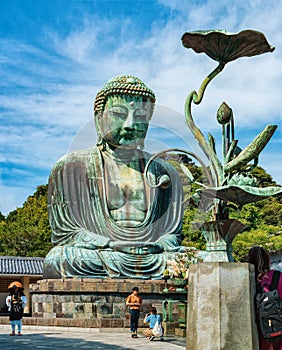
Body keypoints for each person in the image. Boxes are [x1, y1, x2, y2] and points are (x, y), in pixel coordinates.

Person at [43, 75, 184, 279]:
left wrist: (158, 245)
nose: (130, 124)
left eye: (141, 116)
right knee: (61, 259)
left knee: (199, 261)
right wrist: (109, 244)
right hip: (99, 253)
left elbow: (171, 235)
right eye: (119, 114)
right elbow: (66, 233)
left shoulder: (165, 172)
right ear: (99, 119)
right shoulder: (71, 167)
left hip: (151, 256)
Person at [248, 246, 282, 350]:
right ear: (268, 260)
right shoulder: (278, 276)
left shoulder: (248, 279)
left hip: (259, 329)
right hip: (278, 324)